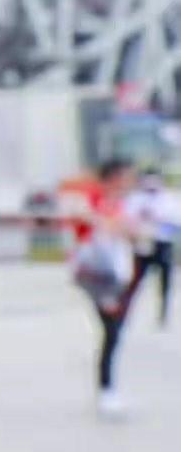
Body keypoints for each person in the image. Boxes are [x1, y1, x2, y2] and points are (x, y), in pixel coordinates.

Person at [70, 159, 139, 419]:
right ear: (114, 176)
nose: (130, 181)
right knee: (111, 331)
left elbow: (129, 231)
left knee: (114, 333)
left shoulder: (118, 202)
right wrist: (112, 222)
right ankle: (106, 390)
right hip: (95, 275)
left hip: (116, 274)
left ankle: (107, 389)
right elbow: (87, 223)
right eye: (127, 176)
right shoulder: (93, 197)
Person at [123, 168, 175, 328]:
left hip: (162, 242)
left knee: (165, 281)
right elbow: (126, 218)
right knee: (135, 281)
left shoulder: (169, 199)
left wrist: (159, 218)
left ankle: (163, 314)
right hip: (143, 242)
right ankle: (124, 312)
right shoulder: (135, 198)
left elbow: (176, 221)